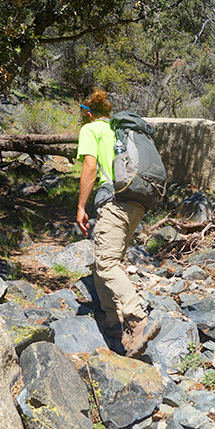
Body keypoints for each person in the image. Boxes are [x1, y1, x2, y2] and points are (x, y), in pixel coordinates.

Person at [76, 89, 160, 357]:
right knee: (105, 262)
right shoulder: (119, 132)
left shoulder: (91, 130)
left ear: (89, 113)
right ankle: (113, 326)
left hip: (113, 201)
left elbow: (90, 167)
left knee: (107, 263)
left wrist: (80, 206)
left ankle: (137, 320)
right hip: (135, 202)